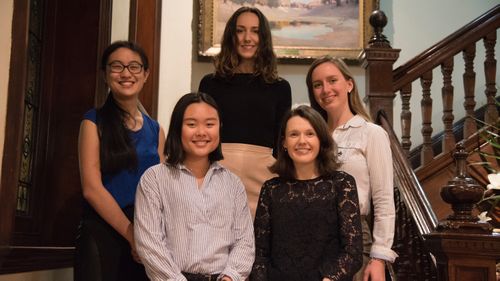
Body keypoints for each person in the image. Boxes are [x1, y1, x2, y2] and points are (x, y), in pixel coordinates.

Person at [134, 92, 255, 281]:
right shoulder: (154, 179)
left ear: (219, 128)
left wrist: (231, 277)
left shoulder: (233, 184)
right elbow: (149, 243)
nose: (201, 132)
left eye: (209, 124)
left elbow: (244, 241)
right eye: (191, 124)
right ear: (177, 128)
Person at [75, 40, 165, 281]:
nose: (126, 73)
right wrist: (131, 234)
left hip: (146, 236)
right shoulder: (92, 122)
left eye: (134, 67)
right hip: (104, 231)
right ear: (105, 74)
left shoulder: (156, 130)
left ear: (145, 74)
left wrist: (148, 237)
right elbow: (92, 189)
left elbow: (162, 190)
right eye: (117, 66)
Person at [306, 56, 398, 281]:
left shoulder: (371, 133)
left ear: (349, 84)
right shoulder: (311, 136)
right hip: (313, 238)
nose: (325, 89)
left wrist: (379, 258)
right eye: (318, 85)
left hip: (354, 239)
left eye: (332, 80)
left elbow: (384, 200)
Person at [198, 6, 292, 218]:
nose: (247, 38)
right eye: (240, 30)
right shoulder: (210, 84)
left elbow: (280, 142)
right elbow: (202, 135)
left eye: (255, 31)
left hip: (264, 178)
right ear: (231, 35)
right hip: (218, 174)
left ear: (264, 37)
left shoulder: (280, 87)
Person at [250, 105, 363, 281]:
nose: (302, 141)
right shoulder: (271, 189)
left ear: (321, 140)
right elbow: (259, 254)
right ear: (284, 143)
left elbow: (353, 252)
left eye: (310, 134)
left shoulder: (342, 184)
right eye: (294, 134)